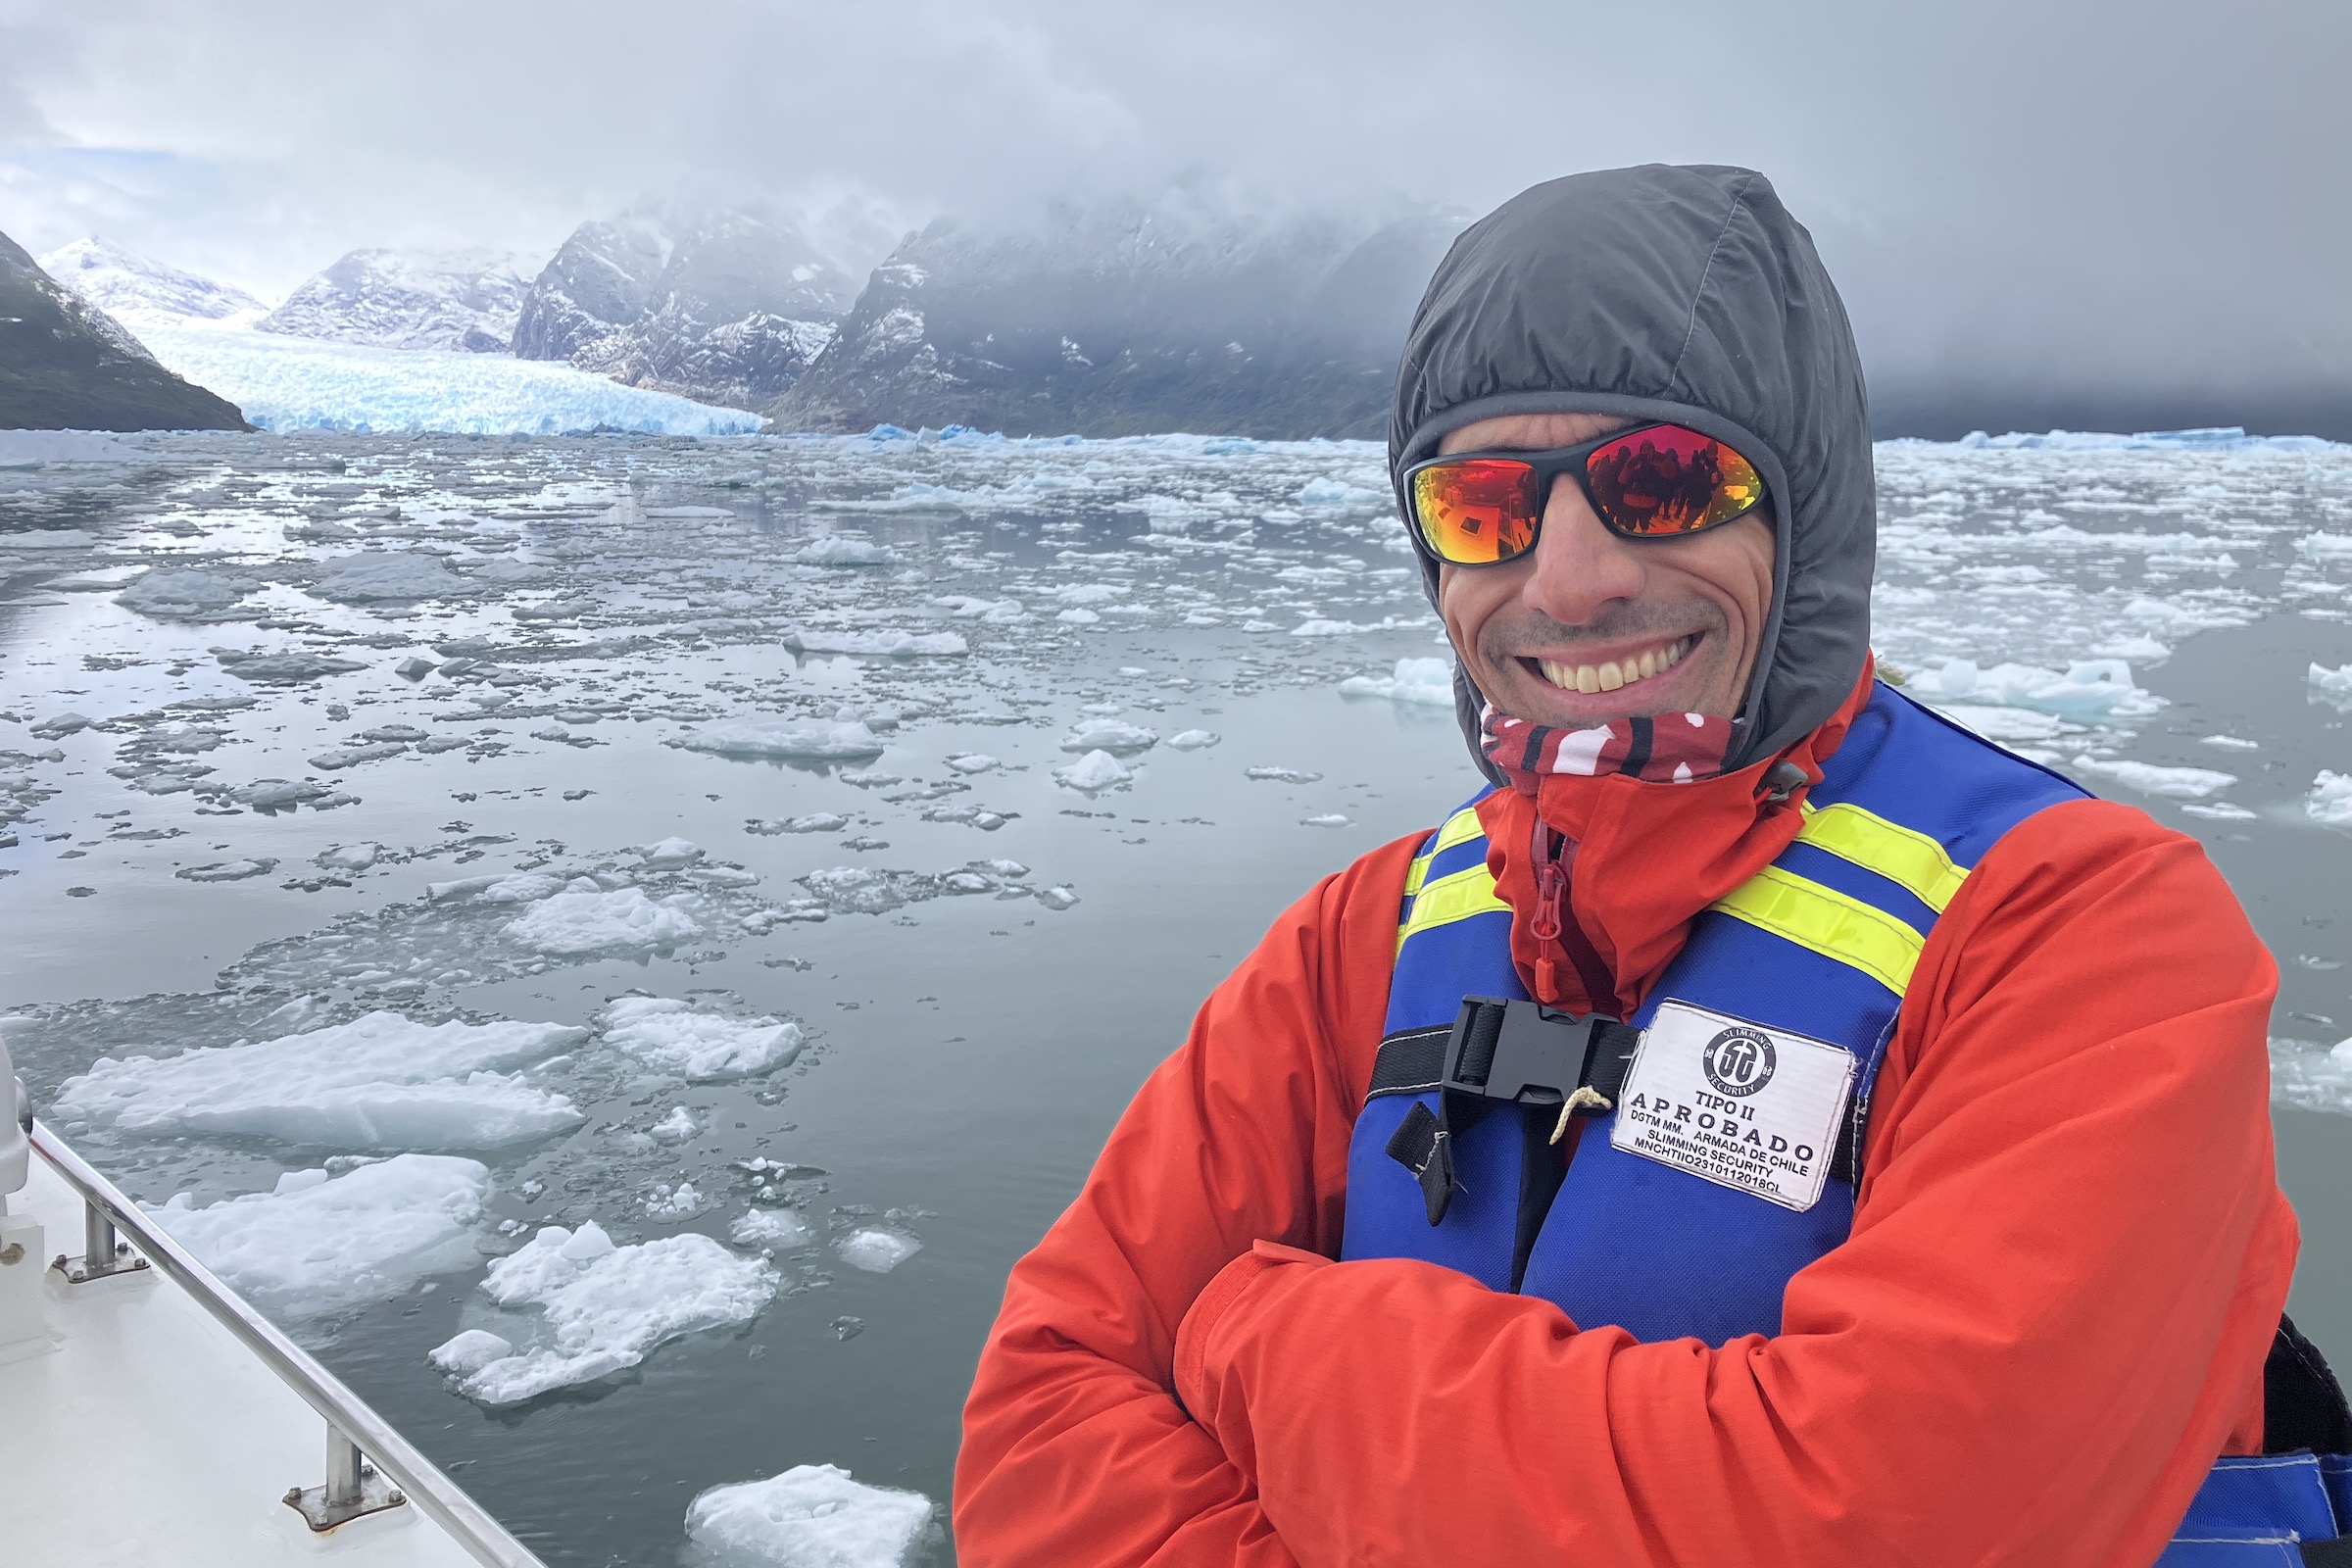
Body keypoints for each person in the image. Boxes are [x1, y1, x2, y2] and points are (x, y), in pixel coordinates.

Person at [954, 165, 2350, 1565]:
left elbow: (1894, 1520)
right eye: (1484, 509)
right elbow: (1044, 1420)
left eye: (1663, 482)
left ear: (1805, 512)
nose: (1566, 580)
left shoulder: (2080, 935)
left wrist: (1278, 1341)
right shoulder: (1362, 938)